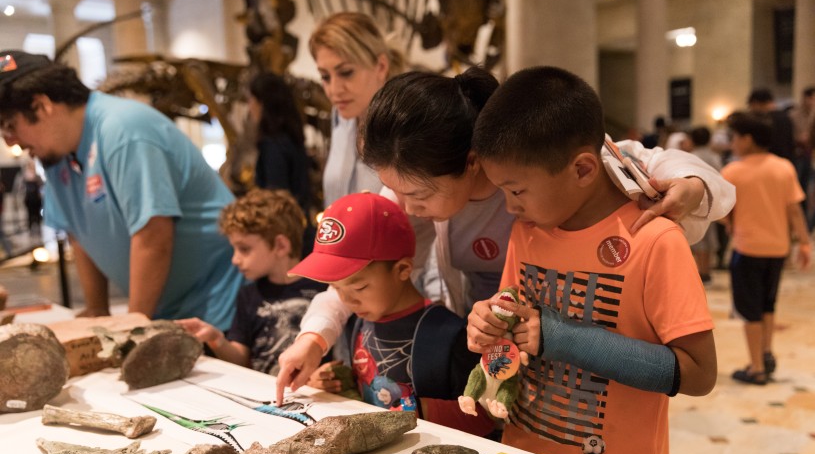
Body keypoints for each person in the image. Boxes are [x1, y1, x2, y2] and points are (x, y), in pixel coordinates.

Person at [274, 67, 736, 401]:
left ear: (474, 164)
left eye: (415, 193)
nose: (402, 205)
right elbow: (357, 262)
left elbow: (630, 157)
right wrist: (314, 336)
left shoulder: (530, 171)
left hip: (590, 361)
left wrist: (691, 186)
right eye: (394, 190)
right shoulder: (418, 190)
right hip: (502, 358)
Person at [466, 66, 718, 454]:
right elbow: (513, 314)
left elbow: (700, 374)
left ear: (583, 169)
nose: (509, 207)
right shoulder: (529, 229)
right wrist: (488, 322)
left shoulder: (654, 240)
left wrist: (566, 339)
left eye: (517, 191)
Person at [0, 50, 243, 328]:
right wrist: (97, 309)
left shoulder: (124, 130)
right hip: (167, 315)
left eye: (10, 126)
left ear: (42, 106)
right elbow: (78, 232)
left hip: (222, 311)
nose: (11, 143)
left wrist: (132, 326)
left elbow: (153, 235)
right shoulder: (56, 156)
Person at [287, 192, 492, 436]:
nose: (348, 300)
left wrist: (419, 411)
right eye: (337, 289)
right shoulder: (358, 321)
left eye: (359, 287)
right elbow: (368, 383)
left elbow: (486, 419)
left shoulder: (450, 335)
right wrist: (333, 383)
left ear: (403, 269)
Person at [177, 189, 325, 374]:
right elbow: (241, 359)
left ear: (280, 245)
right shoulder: (248, 296)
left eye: (244, 249)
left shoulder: (323, 290)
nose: (235, 259)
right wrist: (217, 339)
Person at [720, 111, 811, 385]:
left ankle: (756, 367)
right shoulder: (784, 167)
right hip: (777, 250)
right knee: (768, 305)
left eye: (735, 137)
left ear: (747, 139)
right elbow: (794, 211)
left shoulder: (733, 171)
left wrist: (729, 222)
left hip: (748, 249)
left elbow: (724, 213)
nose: (732, 142)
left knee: (749, 310)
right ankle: (767, 353)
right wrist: (805, 243)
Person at [308, 12, 404, 206]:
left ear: (381, 66)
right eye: (325, 77)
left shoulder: (407, 123)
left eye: (346, 73)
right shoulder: (341, 116)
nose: (334, 90)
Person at [247, 71, 317, 255]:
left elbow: (277, 199)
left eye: (251, 100)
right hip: (300, 228)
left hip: (289, 237)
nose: (249, 107)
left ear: (262, 103)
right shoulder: (292, 139)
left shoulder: (273, 145)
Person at [687, 126, 724, 281]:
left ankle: (700, 272)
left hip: (695, 200)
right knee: (710, 237)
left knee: (698, 237)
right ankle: (706, 271)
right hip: (712, 199)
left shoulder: (690, 156)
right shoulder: (714, 156)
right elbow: (720, 175)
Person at [747, 88, 796, 163]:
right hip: (787, 161)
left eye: (751, 106)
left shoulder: (765, 120)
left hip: (769, 161)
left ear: (756, 103)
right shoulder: (786, 117)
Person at [788, 86, 815, 225]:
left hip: (809, 155)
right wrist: (799, 138)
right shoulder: (793, 115)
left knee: (808, 188)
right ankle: (797, 221)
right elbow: (788, 136)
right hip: (797, 154)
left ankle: (807, 223)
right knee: (797, 189)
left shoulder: (813, 115)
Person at [21, 158, 43, 232]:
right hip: (29, 198)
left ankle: (38, 226)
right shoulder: (24, 177)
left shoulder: (37, 176)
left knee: (37, 214)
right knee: (30, 214)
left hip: (36, 198)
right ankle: (30, 227)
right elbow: (21, 188)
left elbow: (41, 186)